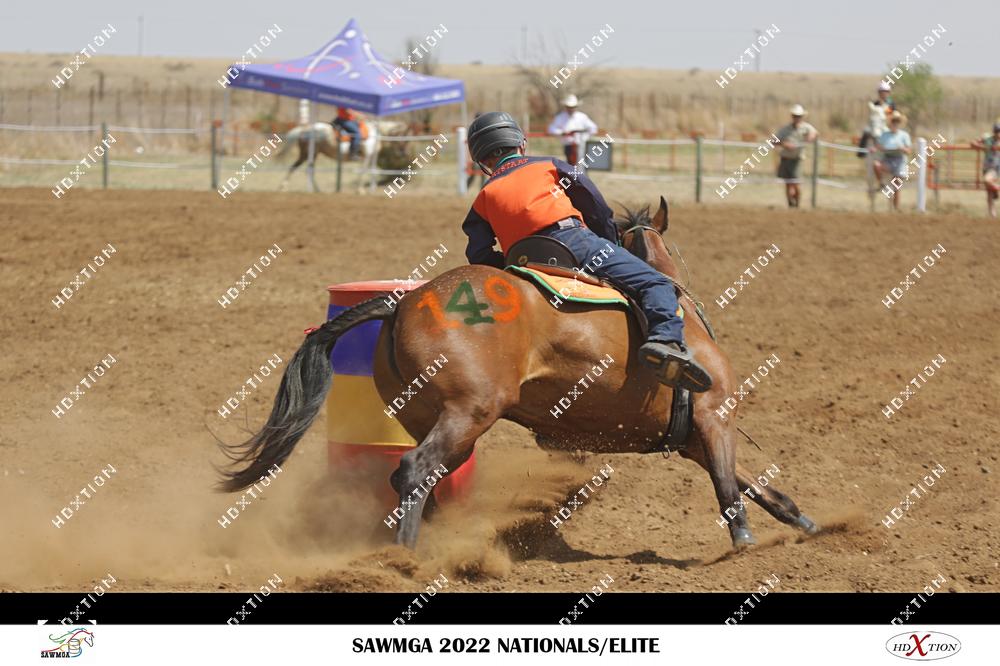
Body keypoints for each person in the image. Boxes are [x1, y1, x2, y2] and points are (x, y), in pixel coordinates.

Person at [461, 111, 712, 393]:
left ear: (482, 161)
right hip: (572, 241)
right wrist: (609, 242)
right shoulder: (549, 165)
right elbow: (596, 206)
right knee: (655, 282)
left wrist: (509, 263)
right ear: (521, 143)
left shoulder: (482, 198)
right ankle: (667, 342)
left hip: (523, 262)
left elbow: (479, 254)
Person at [775, 104, 818, 208]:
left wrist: (810, 137)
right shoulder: (785, 129)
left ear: (802, 117)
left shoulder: (806, 127)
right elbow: (774, 140)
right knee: (788, 184)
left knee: (796, 184)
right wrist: (784, 144)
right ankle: (790, 205)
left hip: (797, 159)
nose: (797, 118)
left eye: (799, 116)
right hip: (785, 159)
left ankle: (797, 205)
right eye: (795, 116)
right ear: (792, 116)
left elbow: (815, 133)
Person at [874, 111, 912, 211]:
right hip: (887, 160)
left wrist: (903, 149)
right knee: (876, 165)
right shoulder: (884, 135)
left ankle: (896, 208)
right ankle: (881, 183)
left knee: (896, 186)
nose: (895, 123)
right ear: (890, 123)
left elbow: (909, 151)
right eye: (893, 121)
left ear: (899, 123)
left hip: (900, 161)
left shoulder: (904, 135)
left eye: (897, 121)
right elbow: (878, 146)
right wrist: (878, 148)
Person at [547, 94, 598, 167]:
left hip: (581, 146)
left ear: (576, 107)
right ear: (566, 107)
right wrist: (562, 133)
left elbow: (593, 128)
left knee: (582, 166)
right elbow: (551, 129)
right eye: (569, 107)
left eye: (572, 107)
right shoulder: (560, 117)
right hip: (569, 146)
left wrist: (584, 137)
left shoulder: (582, 117)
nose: (571, 109)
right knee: (570, 166)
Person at [859, 81, 896, 158]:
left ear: (888, 93)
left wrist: (886, 114)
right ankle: (861, 153)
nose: (883, 94)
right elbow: (873, 114)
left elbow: (891, 114)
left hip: (887, 123)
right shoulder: (875, 103)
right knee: (866, 131)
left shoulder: (891, 103)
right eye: (882, 92)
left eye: (885, 92)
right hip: (876, 124)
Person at [972, 121, 1000, 218]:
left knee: (987, 180)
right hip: (986, 167)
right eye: (997, 131)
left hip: (995, 168)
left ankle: (996, 188)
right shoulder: (987, 138)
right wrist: (982, 147)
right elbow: (973, 143)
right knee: (989, 193)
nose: (998, 134)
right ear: (994, 131)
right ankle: (992, 215)